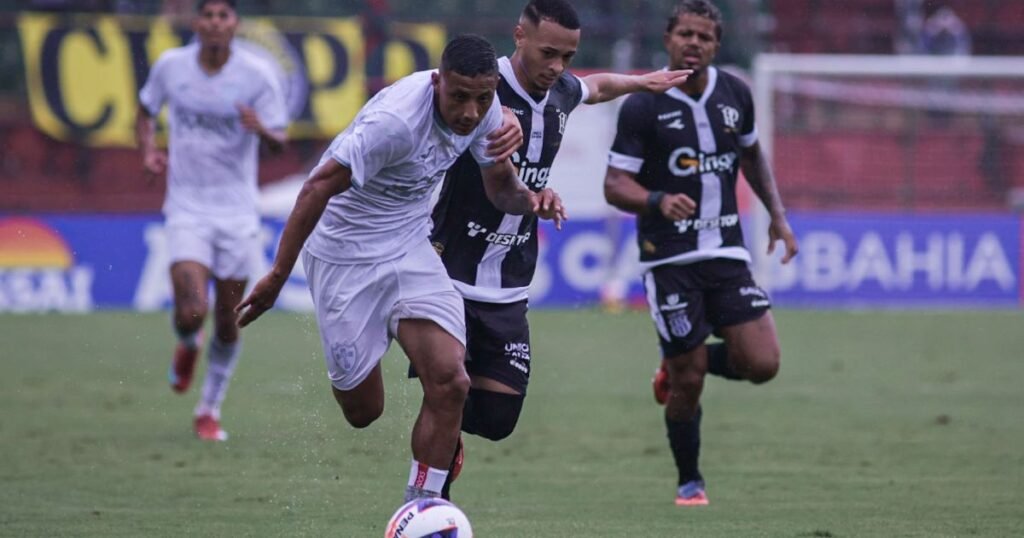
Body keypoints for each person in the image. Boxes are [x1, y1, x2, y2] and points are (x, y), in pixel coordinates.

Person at [235, 34, 564, 502]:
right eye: (459, 97)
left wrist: (532, 201)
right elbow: (316, 187)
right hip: (344, 254)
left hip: (409, 244)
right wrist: (277, 275)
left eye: (483, 98)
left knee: (451, 381)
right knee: (363, 412)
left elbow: (500, 188)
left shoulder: (486, 109)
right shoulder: (394, 124)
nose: (470, 113)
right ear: (437, 82)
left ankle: (422, 508)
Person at [425, 0, 691, 500]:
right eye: (548, 53)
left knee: (498, 418)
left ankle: (445, 434)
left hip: (509, 279)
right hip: (447, 269)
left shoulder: (562, 89)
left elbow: (596, 86)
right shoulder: (481, 89)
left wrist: (643, 82)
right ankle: (429, 502)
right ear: (519, 36)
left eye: (567, 56)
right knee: (448, 389)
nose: (557, 67)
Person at [603, 0, 799, 506]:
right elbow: (614, 184)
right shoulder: (643, 104)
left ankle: (677, 362)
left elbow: (752, 155)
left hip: (727, 252)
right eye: (685, 33)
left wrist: (777, 216)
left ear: (716, 45)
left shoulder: (736, 94)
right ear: (668, 39)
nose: (694, 43)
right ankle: (690, 481)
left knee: (763, 363)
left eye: (704, 36)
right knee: (688, 383)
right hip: (668, 260)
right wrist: (656, 200)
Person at [136, 0, 288, 441]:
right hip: (186, 207)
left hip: (237, 213)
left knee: (227, 321)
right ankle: (188, 342)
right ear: (196, 22)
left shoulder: (257, 74)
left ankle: (209, 409)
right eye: (208, 15)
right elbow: (145, 111)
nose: (216, 23)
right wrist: (148, 151)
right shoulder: (172, 66)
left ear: (235, 23)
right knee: (190, 313)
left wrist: (261, 129)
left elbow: (279, 141)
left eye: (224, 16)